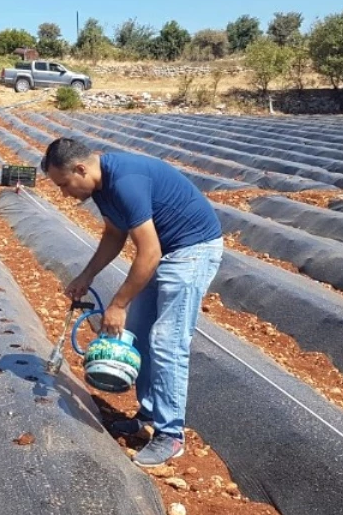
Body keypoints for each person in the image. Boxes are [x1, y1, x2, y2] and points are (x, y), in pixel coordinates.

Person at [41, 138, 223, 467]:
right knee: (139, 332)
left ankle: (171, 435)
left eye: (65, 184)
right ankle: (148, 414)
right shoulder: (102, 187)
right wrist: (87, 275)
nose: (64, 194)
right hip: (166, 251)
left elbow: (149, 252)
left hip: (192, 250)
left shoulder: (124, 182)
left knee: (168, 341)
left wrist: (119, 304)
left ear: (81, 169)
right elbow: (114, 234)